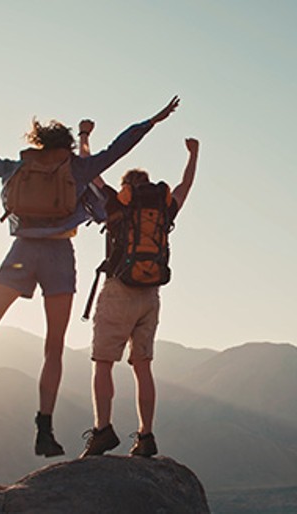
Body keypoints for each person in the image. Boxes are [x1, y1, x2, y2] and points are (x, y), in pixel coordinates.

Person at [0, 97, 181, 458]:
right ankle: (45, 429)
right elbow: (121, 146)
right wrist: (153, 120)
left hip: (21, 254)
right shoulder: (77, 170)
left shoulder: (18, 167)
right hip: (58, 256)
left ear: (39, 142)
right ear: (67, 146)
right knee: (53, 346)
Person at [77, 120, 199, 458]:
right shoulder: (164, 208)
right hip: (151, 295)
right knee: (143, 367)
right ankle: (146, 437)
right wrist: (193, 154)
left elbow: (89, 171)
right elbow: (185, 185)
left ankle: (102, 431)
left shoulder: (118, 204)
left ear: (126, 188)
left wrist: (84, 136)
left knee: (103, 363)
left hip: (118, 290)